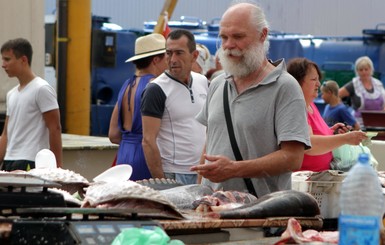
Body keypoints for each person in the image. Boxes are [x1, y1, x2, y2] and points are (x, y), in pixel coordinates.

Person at [190, 2, 311, 197]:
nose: (228, 45)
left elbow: (293, 158)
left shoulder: (285, 87)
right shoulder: (218, 83)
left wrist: (235, 169)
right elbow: (210, 142)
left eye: (238, 36)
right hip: (212, 210)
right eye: (224, 37)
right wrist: (199, 195)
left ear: (263, 35)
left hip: (261, 217)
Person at [141, 29, 209, 185]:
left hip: (202, 171)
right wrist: (163, 183)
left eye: (179, 53)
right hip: (173, 174)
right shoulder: (156, 89)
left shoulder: (203, 81)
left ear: (194, 56)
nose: (172, 59)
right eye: (168, 53)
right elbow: (148, 141)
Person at [287, 57, 367, 172]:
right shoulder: (295, 107)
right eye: (314, 79)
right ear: (297, 82)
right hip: (307, 180)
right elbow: (309, 144)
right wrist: (345, 138)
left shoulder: (311, 105)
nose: (318, 84)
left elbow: (313, 133)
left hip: (321, 174)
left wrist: (331, 132)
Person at [108, 33, 167, 180]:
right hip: (146, 156)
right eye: (166, 57)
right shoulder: (156, 86)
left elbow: (113, 135)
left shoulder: (126, 85)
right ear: (156, 60)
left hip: (123, 156)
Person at [0, 38, 62, 171]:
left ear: (23, 59)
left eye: (7, 59)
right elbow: (6, 133)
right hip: (9, 161)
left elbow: (55, 129)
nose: (3, 65)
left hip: (31, 161)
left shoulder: (41, 89)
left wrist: (57, 169)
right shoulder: (11, 94)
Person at [339, 56, 385, 126]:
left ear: (371, 69)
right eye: (361, 70)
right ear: (357, 71)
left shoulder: (378, 84)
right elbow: (336, 96)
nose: (364, 72)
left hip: (379, 124)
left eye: (366, 69)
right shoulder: (353, 85)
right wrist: (343, 111)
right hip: (359, 125)